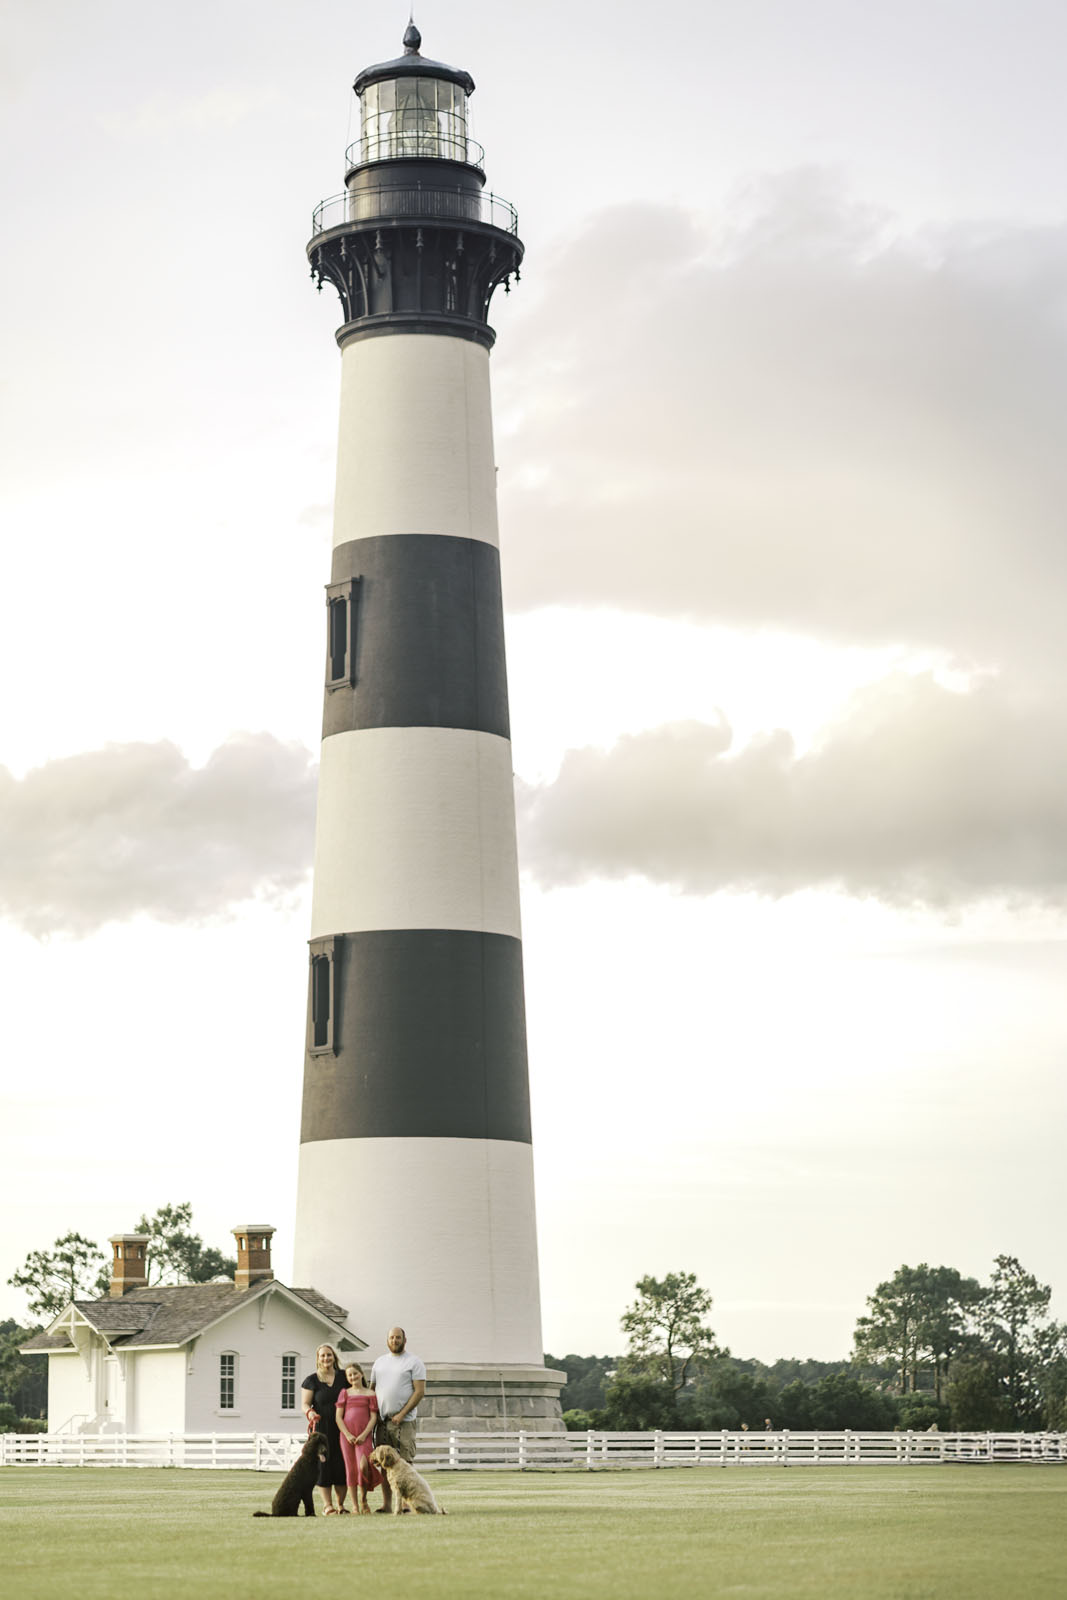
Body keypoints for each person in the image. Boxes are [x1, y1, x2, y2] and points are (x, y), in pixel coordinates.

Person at [370, 1326, 426, 1513]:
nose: (395, 1340)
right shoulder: (379, 1363)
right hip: (383, 1422)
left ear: (405, 1339)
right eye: (392, 1338)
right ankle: (387, 1504)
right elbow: (372, 1389)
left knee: (404, 1463)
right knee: (384, 1464)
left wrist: (401, 1414)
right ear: (387, 1340)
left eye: (398, 1337)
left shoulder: (414, 1362)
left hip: (404, 1422)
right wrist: (373, 1415)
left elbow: (419, 1392)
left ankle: (405, 1504)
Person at [301, 1343, 350, 1514]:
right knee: (324, 1466)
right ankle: (327, 1506)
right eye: (322, 1355)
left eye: (329, 1355)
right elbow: (305, 1403)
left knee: (342, 1465)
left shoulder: (345, 1377)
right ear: (318, 1359)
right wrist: (310, 1413)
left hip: (343, 1428)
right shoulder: (311, 1380)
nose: (326, 1358)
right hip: (322, 1429)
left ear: (334, 1357)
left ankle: (341, 1505)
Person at [335, 1361, 382, 1514]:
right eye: (349, 1375)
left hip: (364, 1435)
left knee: (363, 1465)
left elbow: (373, 1417)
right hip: (347, 1437)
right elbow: (338, 1418)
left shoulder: (370, 1394)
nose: (353, 1377)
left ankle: (364, 1499)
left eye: (355, 1373)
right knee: (351, 1470)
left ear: (361, 1374)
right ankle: (355, 1506)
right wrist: (347, 1434)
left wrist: (363, 1435)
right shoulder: (345, 1393)